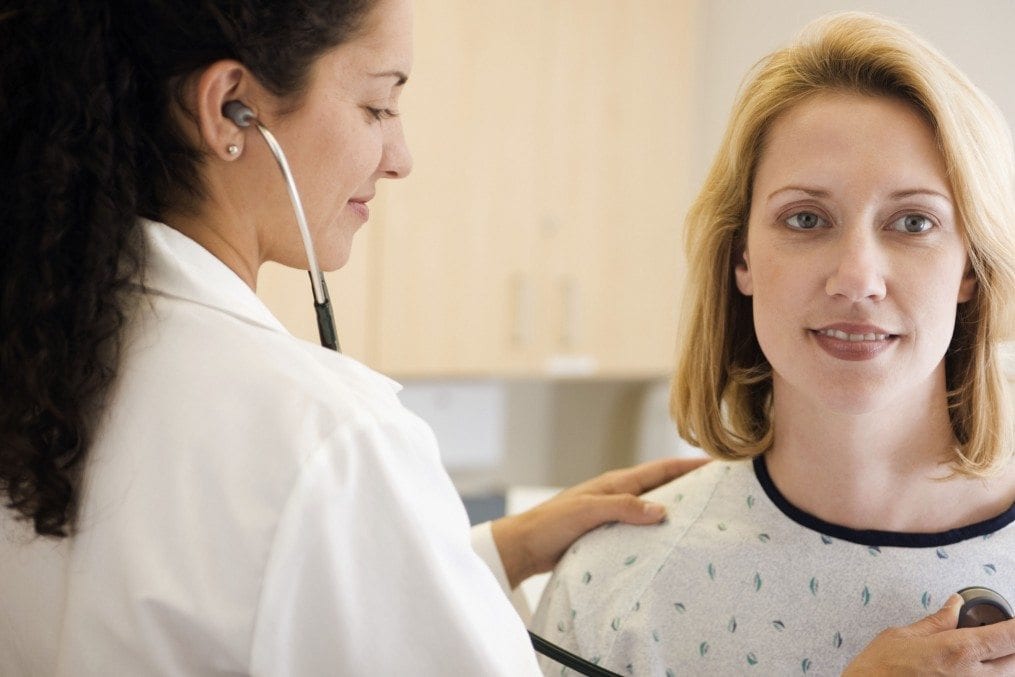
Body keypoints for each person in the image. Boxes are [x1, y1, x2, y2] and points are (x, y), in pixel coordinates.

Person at [0, 2, 701, 674]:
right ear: (228, 110)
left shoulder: (40, 357)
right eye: (377, 105)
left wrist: (471, 555)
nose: (399, 157)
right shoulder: (326, 437)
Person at [531, 11, 1015, 675]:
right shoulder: (616, 586)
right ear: (741, 258)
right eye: (805, 218)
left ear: (969, 266)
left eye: (911, 221)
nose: (856, 278)